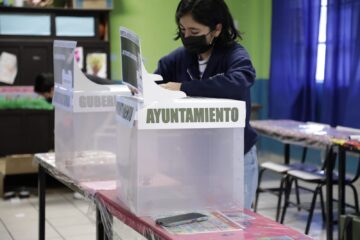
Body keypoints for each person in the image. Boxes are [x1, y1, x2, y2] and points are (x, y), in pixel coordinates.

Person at [155, 0, 258, 209]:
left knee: (234, 222)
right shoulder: (181, 57)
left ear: (216, 29)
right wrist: (143, 84)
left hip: (234, 155)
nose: (187, 37)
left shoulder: (234, 55)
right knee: (201, 219)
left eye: (194, 31)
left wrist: (184, 87)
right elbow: (157, 76)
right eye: (183, 30)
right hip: (197, 158)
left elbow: (239, 82)